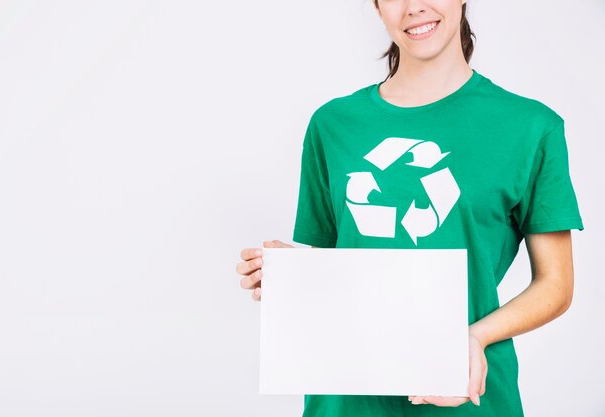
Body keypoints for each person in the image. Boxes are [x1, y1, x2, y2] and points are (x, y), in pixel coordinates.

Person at [235, 0, 584, 415]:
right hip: (347, 397)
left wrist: (474, 337)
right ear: (377, 7)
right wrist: (292, 277)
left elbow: (556, 286)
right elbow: (340, 267)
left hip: (466, 394)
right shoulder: (332, 124)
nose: (415, 7)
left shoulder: (530, 126)